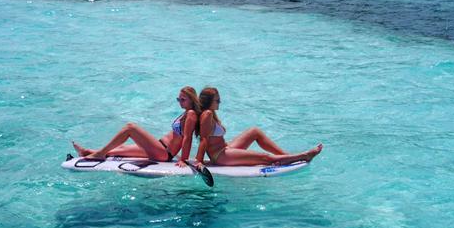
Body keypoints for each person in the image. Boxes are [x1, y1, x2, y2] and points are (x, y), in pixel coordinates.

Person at [193, 87, 322, 168]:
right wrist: (199, 161)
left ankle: (286, 156)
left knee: (254, 131)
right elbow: (204, 139)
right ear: (209, 101)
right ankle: (304, 156)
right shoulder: (207, 114)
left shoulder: (211, 114)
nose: (219, 102)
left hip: (225, 149)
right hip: (220, 156)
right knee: (264, 157)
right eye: (217, 100)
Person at [72, 87, 201, 166]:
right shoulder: (186, 113)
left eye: (183, 100)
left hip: (164, 152)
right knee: (121, 148)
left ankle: (98, 154)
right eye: (178, 99)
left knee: (130, 127)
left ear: (191, 99)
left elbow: (187, 138)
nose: (180, 102)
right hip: (160, 147)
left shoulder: (191, 114)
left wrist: (184, 160)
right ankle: (87, 152)